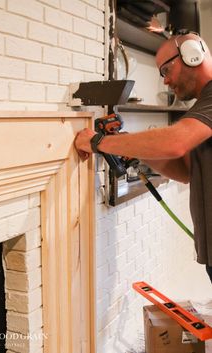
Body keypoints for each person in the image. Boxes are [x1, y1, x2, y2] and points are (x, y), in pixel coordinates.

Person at [75, 32, 212, 282]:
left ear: (192, 54)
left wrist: (97, 142)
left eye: (166, 70)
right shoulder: (201, 108)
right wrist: (129, 145)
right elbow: (185, 172)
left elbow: (175, 143)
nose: (166, 81)